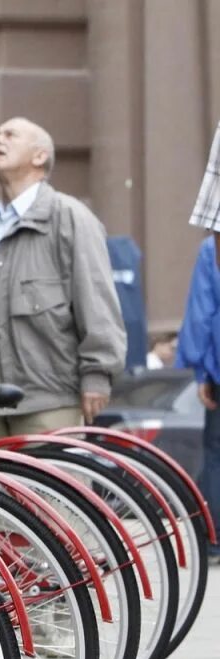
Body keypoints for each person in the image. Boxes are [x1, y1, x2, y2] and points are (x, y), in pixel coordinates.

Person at [0, 117, 125, 438]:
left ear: (40, 156)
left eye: (10, 135)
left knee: (52, 488)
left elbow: (96, 300)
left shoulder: (69, 217)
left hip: (49, 397)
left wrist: (98, 374)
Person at [181, 121, 220, 561]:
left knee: (216, 452)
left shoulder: (212, 249)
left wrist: (202, 370)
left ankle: (214, 538)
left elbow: (203, 312)